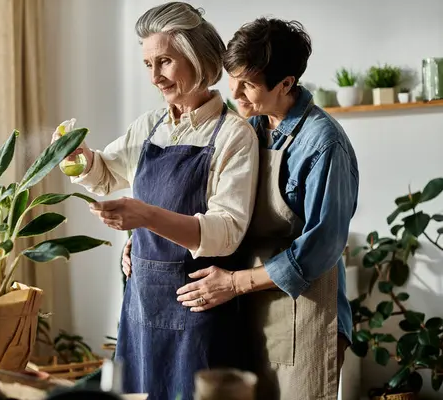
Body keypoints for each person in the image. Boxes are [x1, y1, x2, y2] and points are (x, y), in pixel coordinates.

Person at [122, 17, 360, 400]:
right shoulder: (255, 125)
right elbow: (223, 209)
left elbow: (322, 247)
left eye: (248, 85)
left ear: (286, 84)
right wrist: (146, 237)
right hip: (245, 305)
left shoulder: (322, 144)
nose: (236, 94)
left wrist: (233, 283)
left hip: (303, 310)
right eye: (232, 80)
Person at [52, 3, 259, 400]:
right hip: (142, 301)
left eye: (164, 62)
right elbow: (107, 173)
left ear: (198, 59)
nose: (154, 77)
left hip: (197, 305)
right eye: (148, 64)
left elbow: (226, 233)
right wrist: (80, 159)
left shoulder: (234, 135)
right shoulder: (149, 126)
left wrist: (145, 215)